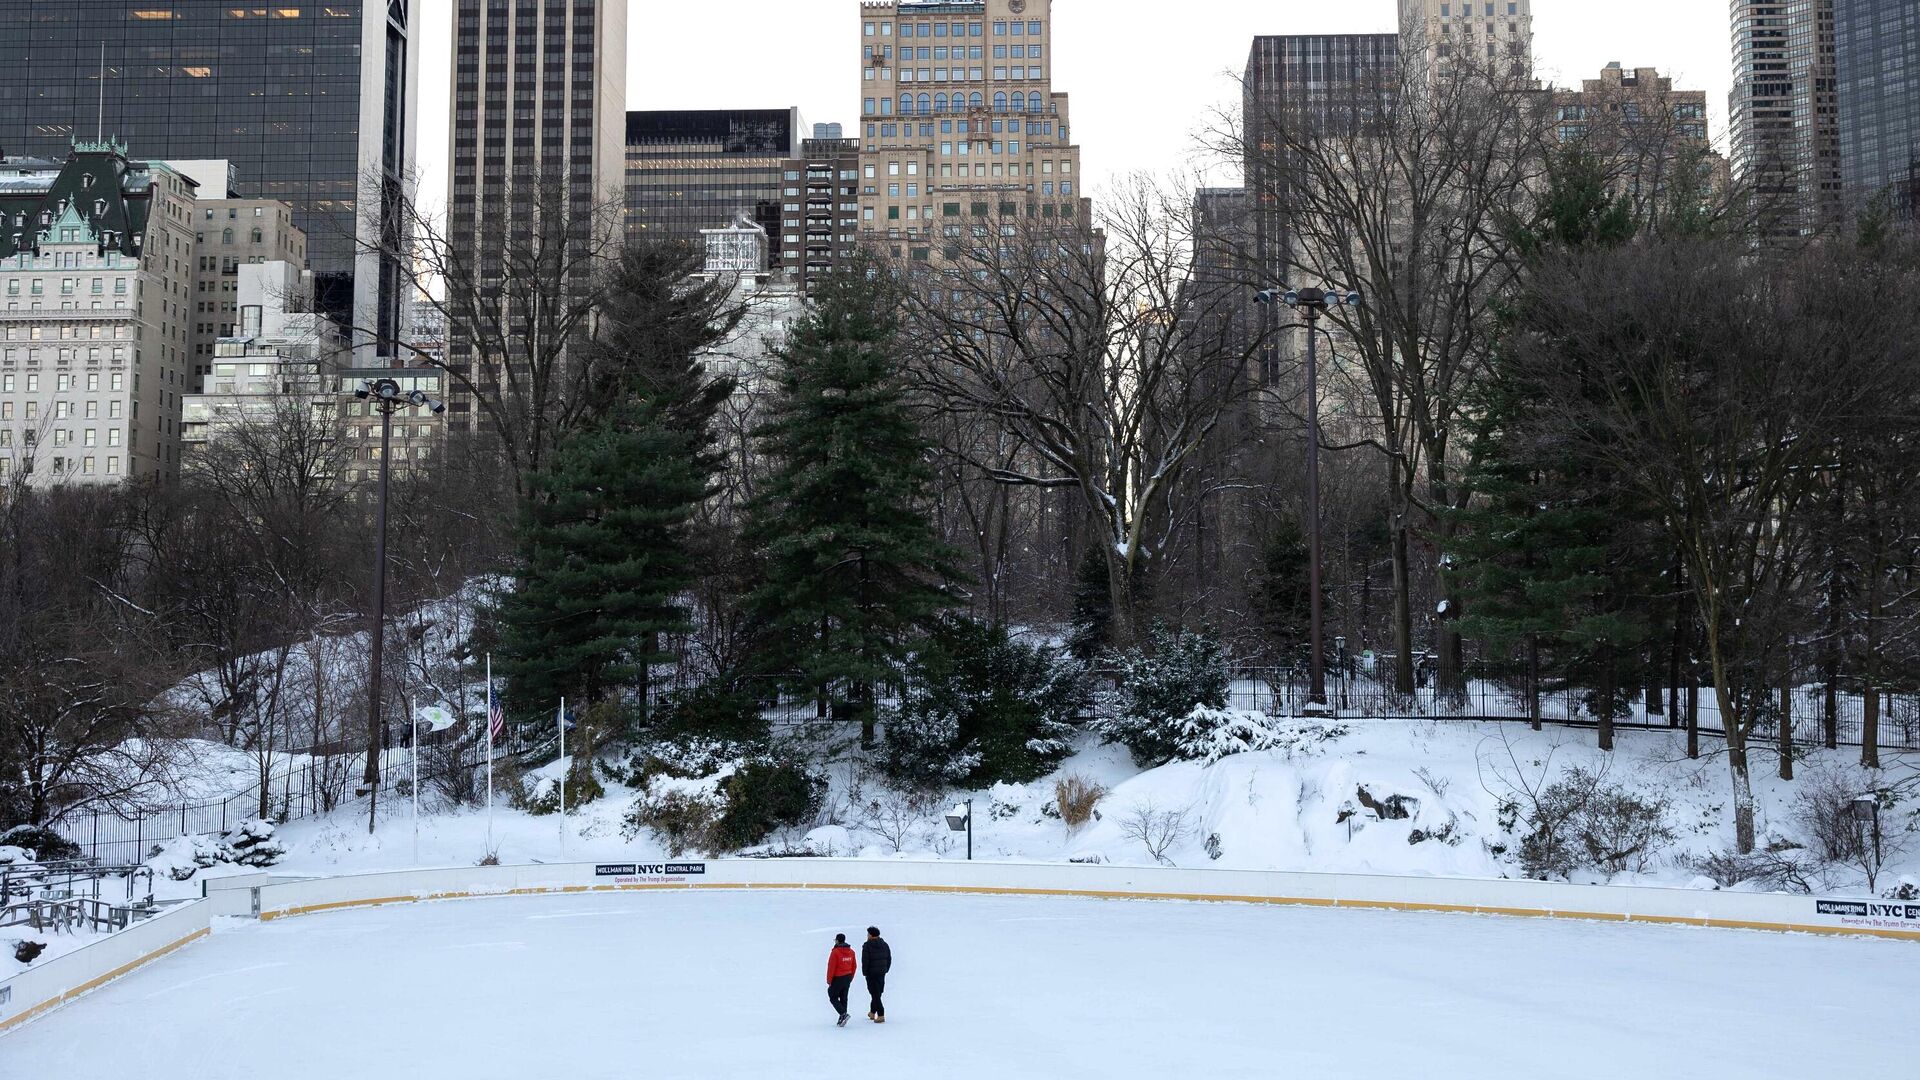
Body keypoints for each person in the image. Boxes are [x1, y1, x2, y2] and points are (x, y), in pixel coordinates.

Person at [826, 933, 858, 1026]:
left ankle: (843, 1014)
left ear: (837, 940)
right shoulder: (851, 952)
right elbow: (854, 966)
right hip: (847, 976)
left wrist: (829, 980)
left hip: (837, 978)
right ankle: (843, 1017)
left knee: (833, 996)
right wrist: (851, 977)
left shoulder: (835, 952)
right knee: (844, 997)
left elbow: (831, 967)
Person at [861, 926, 892, 1023]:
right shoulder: (884, 944)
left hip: (871, 973)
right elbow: (889, 958)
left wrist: (865, 972)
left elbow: (865, 961)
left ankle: (881, 1014)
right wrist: (886, 969)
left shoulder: (867, 946)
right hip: (882, 972)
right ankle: (872, 1012)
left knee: (874, 993)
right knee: (878, 992)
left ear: (870, 935)